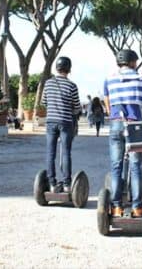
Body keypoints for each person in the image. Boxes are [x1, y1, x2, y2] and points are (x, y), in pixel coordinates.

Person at [104, 49, 142, 218]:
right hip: (135, 126)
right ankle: (137, 207)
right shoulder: (140, 79)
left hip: (117, 123)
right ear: (132, 62)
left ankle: (116, 206)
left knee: (116, 166)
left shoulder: (110, 79)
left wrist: (112, 114)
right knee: (136, 166)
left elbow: (107, 99)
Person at [42, 56, 81, 194]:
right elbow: (77, 108)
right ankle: (66, 184)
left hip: (51, 121)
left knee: (50, 153)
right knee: (66, 153)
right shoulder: (72, 86)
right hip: (65, 122)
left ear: (56, 68)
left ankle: (52, 183)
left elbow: (44, 102)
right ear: (69, 69)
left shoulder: (48, 83)